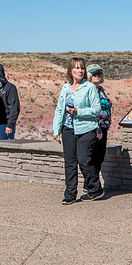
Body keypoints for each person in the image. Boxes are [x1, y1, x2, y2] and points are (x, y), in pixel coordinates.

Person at [52, 58, 103, 205]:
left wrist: (78, 111)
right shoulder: (65, 88)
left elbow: (96, 109)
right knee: (70, 162)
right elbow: (60, 109)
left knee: (83, 160)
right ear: (71, 71)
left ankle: (95, 189)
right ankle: (70, 194)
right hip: (68, 129)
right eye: (76, 68)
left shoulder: (89, 87)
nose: (80, 71)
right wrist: (57, 129)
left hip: (86, 128)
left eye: (82, 68)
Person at [85, 63, 112, 194]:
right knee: (93, 156)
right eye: (94, 74)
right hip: (95, 127)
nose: (98, 76)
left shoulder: (100, 89)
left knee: (99, 156)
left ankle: (89, 184)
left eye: (99, 73)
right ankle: (93, 186)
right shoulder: (88, 89)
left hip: (103, 126)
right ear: (89, 76)